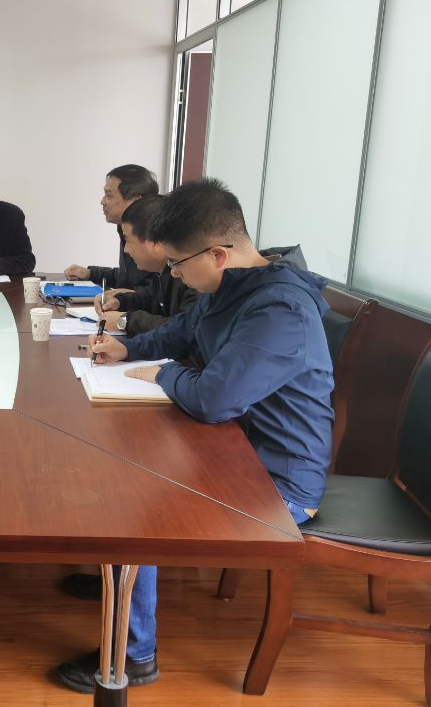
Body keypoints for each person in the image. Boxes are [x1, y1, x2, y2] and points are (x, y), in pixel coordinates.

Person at [55, 178, 334, 693]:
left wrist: (163, 373)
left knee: (136, 507)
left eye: (179, 264)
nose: (175, 274)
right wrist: (128, 349)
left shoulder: (280, 308)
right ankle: (120, 582)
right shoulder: (229, 286)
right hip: (231, 450)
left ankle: (133, 657)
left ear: (218, 254)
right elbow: (181, 332)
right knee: (122, 467)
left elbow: (213, 399)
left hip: (277, 484)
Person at [91, 195, 198, 336]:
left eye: (128, 240)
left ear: (156, 243)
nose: (126, 249)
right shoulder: (163, 270)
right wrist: (119, 301)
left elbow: (183, 329)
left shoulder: (193, 277)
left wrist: (124, 321)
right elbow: (150, 298)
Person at [64, 164, 159, 288]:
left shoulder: (156, 235)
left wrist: (127, 296)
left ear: (136, 201)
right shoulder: (124, 227)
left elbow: (154, 293)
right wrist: (90, 273)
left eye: (109, 195)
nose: (102, 201)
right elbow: (126, 279)